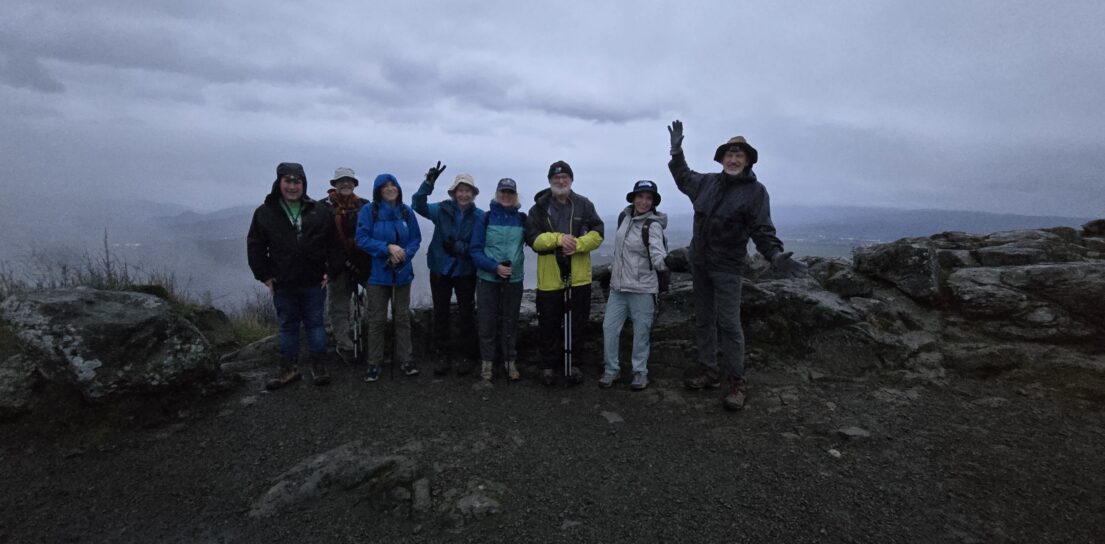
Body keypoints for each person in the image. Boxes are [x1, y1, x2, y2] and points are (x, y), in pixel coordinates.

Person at [667, 120, 807, 410]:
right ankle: (709, 370)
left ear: (747, 161)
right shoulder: (706, 183)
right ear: (721, 159)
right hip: (700, 263)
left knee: (729, 324)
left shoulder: (756, 192)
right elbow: (683, 177)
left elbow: (762, 230)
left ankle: (737, 382)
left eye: (739, 155)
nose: (733, 159)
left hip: (728, 267)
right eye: (729, 155)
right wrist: (676, 152)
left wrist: (775, 255)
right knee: (704, 319)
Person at [247, 162, 336, 389]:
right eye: (288, 181)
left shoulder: (319, 211)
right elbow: (256, 246)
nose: (293, 186)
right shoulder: (266, 213)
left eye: (297, 181)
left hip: (314, 280)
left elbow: (334, 244)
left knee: (316, 325)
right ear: (279, 183)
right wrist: (265, 276)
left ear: (304, 184)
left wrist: (330, 271)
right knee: (288, 326)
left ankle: (319, 366)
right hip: (283, 282)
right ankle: (289, 369)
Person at [525, 160, 604, 386]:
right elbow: (533, 239)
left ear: (571, 179)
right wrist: (560, 239)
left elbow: (598, 233)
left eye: (565, 177)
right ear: (550, 180)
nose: (561, 181)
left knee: (578, 323)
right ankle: (549, 366)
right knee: (548, 323)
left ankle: (574, 364)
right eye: (556, 178)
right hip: (550, 278)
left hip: (579, 278)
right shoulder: (538, 208)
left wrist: (577, 245)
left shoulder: (584, 204)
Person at [412, 163, 484, 376]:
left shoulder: (479, 216)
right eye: (460, 190)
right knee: (441, 313)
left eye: (467, 190)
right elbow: (417, 204)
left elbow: (480, 244)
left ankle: (467, 356)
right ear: (454, 192)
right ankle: (442, 355)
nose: (464, 194)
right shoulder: (441, 209)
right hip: (440, 268)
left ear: (473, 194)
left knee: (466, 314)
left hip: (465, 270)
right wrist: (428, 184)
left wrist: (460, 248)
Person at [600, 180, 668, 391]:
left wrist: (666, 262)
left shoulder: (653, 225)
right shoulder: (624, 218)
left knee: (641, 333)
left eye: (648, 198)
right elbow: (620, 251)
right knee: (609, 328)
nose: (643, 202)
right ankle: (611, 369)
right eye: (640, 197)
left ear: (653, 202)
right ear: (633, 198)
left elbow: (657, 253)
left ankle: (640, 372)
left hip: (643, 289)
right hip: (618, 287)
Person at [355, 173, 422, 381]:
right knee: (376, 320)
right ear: (378, 191)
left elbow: (415, 238)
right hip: (377, 275)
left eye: (394, 185)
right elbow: (361, 239)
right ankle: (374, 363)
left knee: (402, 318)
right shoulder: (369, 211)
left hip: (402, 273)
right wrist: (387, 248)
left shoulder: (406, 211)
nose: (391, 189)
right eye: (385, 186)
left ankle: (406, 360)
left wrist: (403, 254)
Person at [469, 178, 526, 382]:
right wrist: (495, 267)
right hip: (487, 278)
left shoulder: (522, 219)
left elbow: (535, 239)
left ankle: (510, 361)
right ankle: (487, 363)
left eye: (510, 192)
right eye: (503, 192)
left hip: (514, 279)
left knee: (511, 321)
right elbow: (475, 250)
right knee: (487, 323)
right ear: (497, 193)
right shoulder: (485, 218)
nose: (506, 195)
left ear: (515, 195)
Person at [320, 167, 371, 364]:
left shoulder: (365, 205)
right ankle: (345, 345)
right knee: (338, 306)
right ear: (335, 184)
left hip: (363, 263)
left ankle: (371, 338)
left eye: (349, 181)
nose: (345, 184)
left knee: (376, 299)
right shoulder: (323, 208)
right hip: (336, 265)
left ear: (354, 184)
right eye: (341, 181)